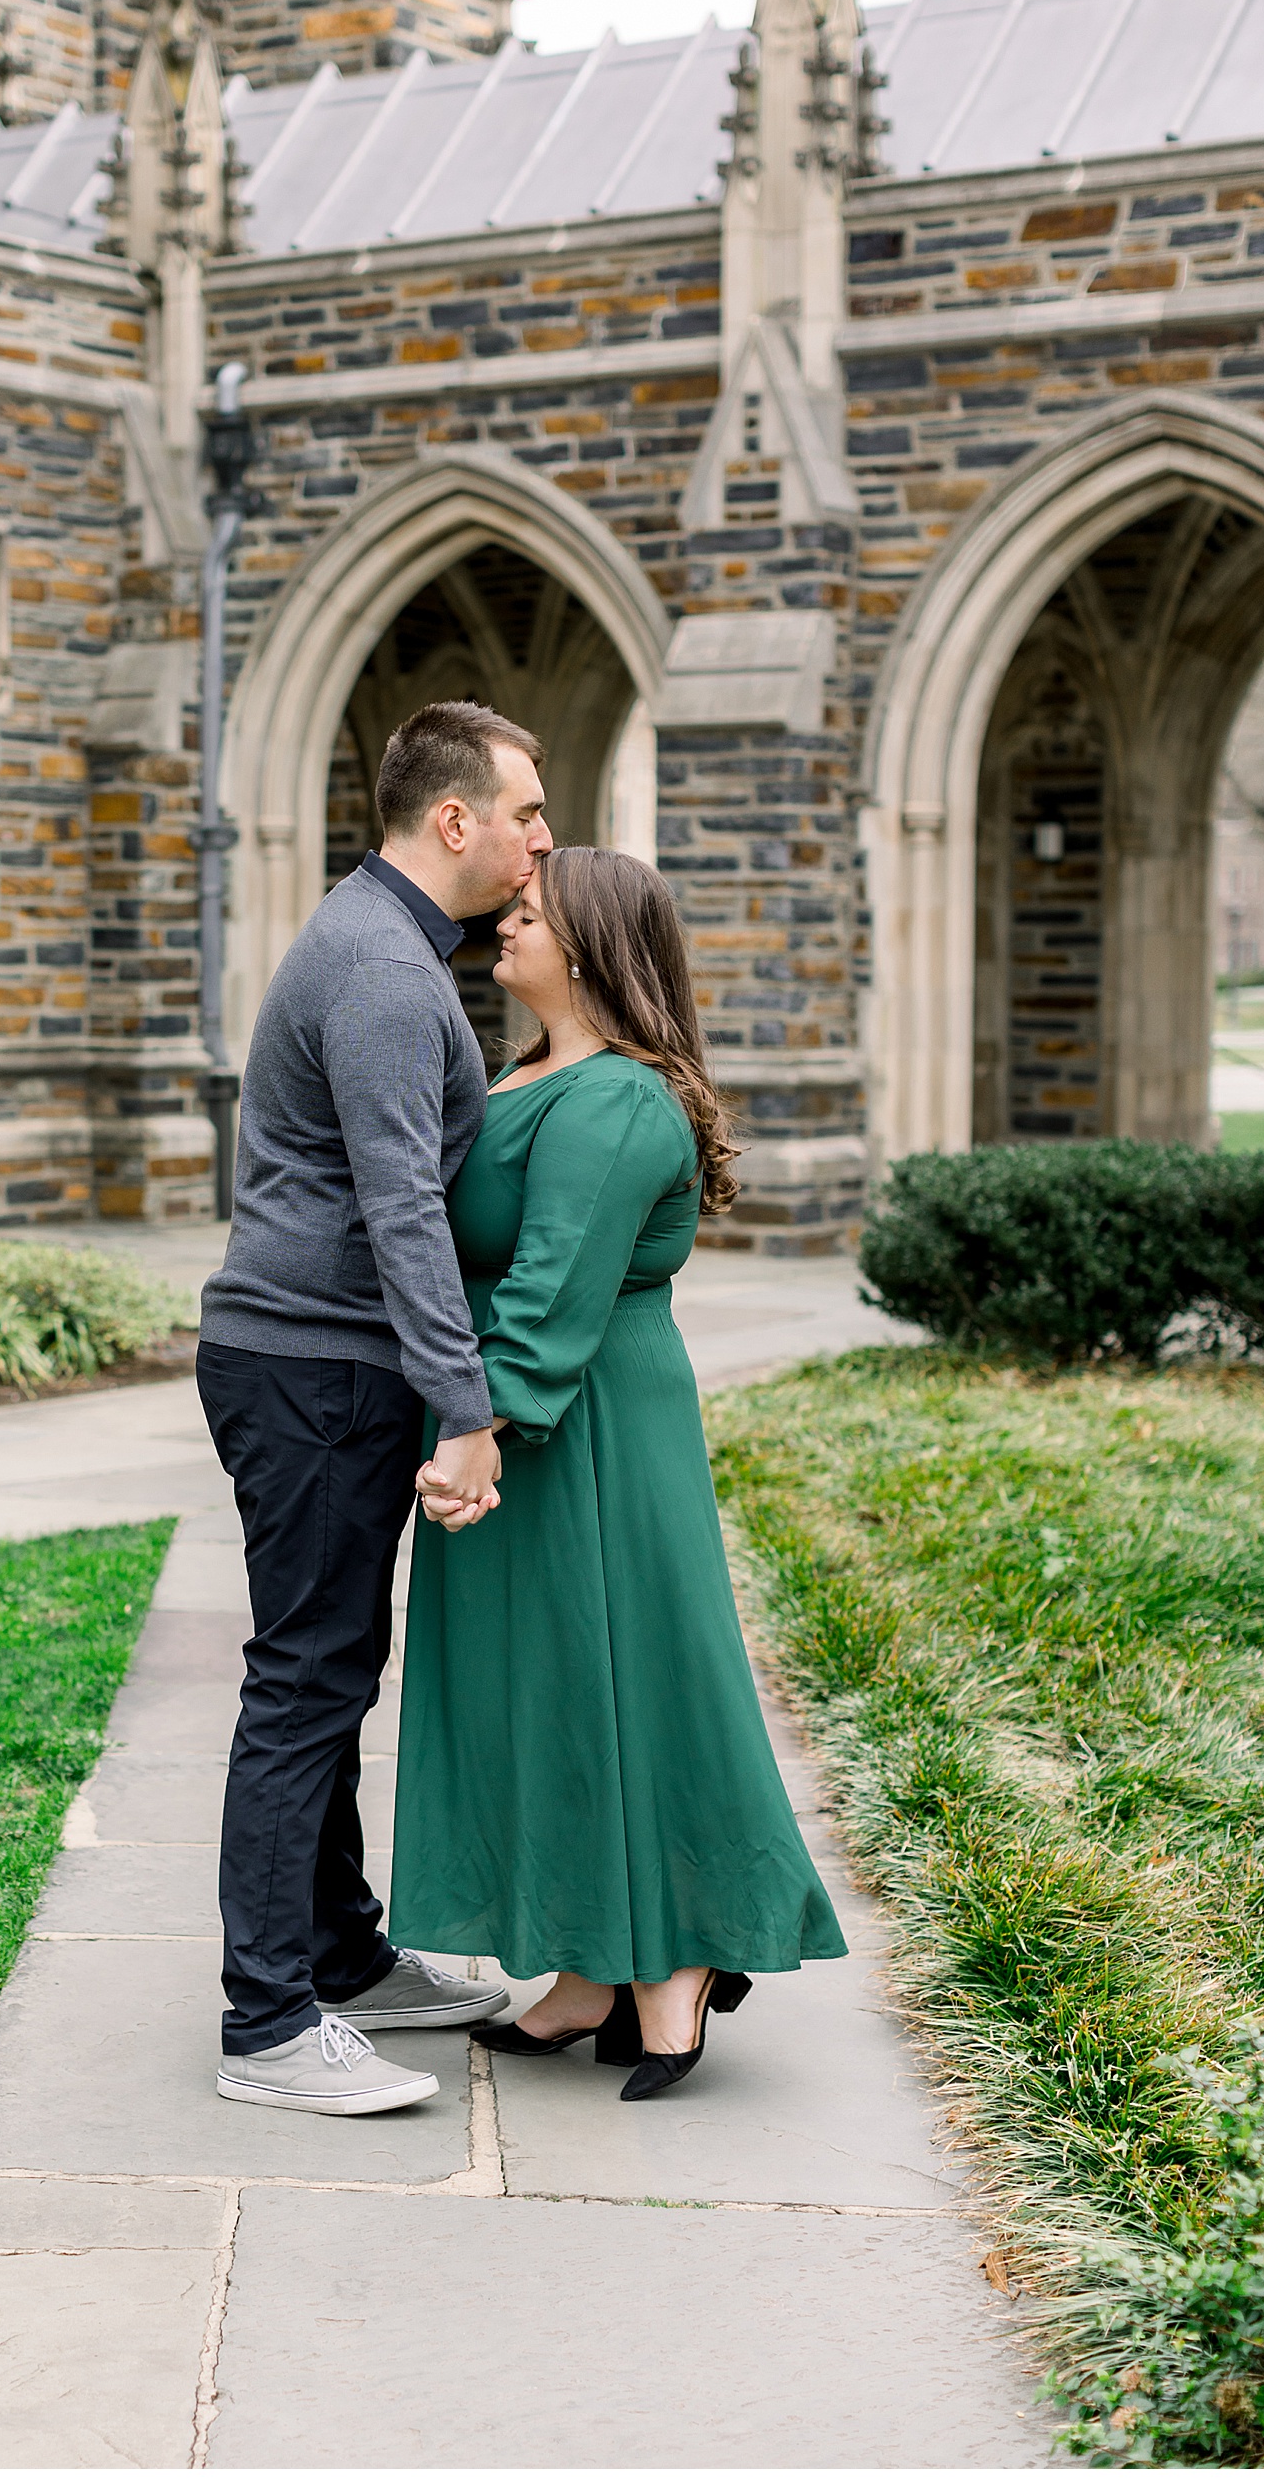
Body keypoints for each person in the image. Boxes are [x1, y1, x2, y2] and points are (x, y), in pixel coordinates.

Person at [395, 847, 848, 2100]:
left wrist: (480, 1425)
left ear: (589, 945)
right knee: (550, 1688)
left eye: (528, 914)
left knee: (632, 1677)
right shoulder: (535, 1073)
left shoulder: (615, 1102)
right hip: (530, 1416)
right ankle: (592, 1963)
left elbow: (549, 1294)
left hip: (584, 1427)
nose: (505, 923)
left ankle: (681, 1963)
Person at [197, 700, 551, 2116]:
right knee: (305, 1679)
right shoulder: (389, 974)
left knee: (332, 1665)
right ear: (451, 819)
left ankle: (340, 1954)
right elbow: (401, 1202)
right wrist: (463, 1406)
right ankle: (269, 2025)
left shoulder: (380, 943)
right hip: (316, 1366)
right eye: (524, 810)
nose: (542, 836)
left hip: (317, 1360)